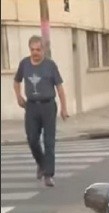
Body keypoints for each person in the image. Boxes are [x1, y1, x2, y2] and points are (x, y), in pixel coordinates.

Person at [13, 35, 69, 187]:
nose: (35, 53)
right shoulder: (24, 64)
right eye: (32, 50)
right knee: (32, 139)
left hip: (48, 106)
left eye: (38, 50)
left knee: (49, 141)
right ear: (29, 50)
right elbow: (16, 80)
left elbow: (60, 88)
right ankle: (41, 163)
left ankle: (48, 175)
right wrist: (18, 96)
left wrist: (64, 108)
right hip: (31, 106)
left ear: (43, 50)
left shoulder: (50, 65)